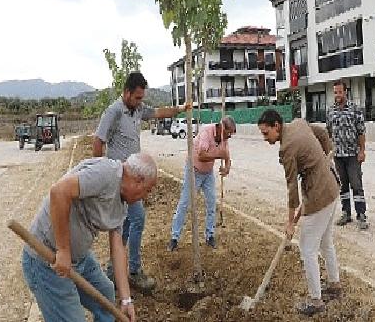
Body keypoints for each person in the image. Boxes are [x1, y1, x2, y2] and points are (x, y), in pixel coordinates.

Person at [21, 152, 158, 322]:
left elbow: (118, 248)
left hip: (79, 258)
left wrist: (126, 299)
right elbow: (59, 191)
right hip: (48, 261)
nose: (146, 197)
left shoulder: (122, 203)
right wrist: (63, 250)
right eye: (147, 190)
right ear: (138, 180)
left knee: (105, 293)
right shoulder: (106, 174)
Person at [93, 72, 189, 292]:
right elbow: (98, 141)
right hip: (118, 181)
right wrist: (101, 173)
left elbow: (159, 112)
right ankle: (130, 272)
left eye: (141, 98)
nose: (140, 102)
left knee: (126, 224)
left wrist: (182, 108)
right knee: (132, 221)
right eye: (136, 97)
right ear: (126, 92)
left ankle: (115, 273)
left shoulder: (138, 110)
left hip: (133, 182)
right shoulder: (114, 111)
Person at [257, 109, 342, 316]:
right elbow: (322, 134)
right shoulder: (299, 123)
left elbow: (292, 189)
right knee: (325, 242)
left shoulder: (287, 148)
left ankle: (316, 300)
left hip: (318, 196)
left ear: (276, 126)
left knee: (307, 249)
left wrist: (290, 223)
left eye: (266, 133)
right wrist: (327, 154)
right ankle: (335, 286)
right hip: (332, 186)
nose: (265, 138)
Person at [167, 116, 236, 251]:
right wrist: (218, 155)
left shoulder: (224, 139)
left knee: (211, 203)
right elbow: (201, 155)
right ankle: (174, 238)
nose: (230, 136)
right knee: (184, 203)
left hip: (208, 174)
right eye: (229, 133)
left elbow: (227, 157)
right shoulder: (206, 132)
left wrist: (227, 168)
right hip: (193, 170)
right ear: (221, 128)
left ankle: (210, 236)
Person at [326, 80, 369, 230]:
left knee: (356, 185)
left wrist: (362, 150)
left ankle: (361, 215)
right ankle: (346, 213)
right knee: (342, 186)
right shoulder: (330, 111)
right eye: (335, 92)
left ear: (345, 92)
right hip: (338, 155)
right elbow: (329, 132)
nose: (337, 95)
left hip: (352, 154)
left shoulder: (355, 109)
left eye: (340, 92)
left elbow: (361, 131)